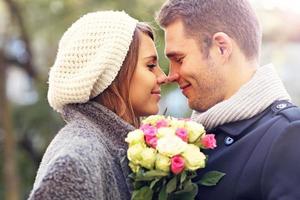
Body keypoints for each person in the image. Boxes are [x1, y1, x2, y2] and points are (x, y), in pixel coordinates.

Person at [156, 0, 300, 199]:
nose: (170, 75)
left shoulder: (290, 134)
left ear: (221, 48)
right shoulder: (193, 134)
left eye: (179, 60)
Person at [28, 11, 166, 200]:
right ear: (111, 74)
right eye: (150, 66)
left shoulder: (107, 145)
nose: (163, 76)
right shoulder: (76, 160)